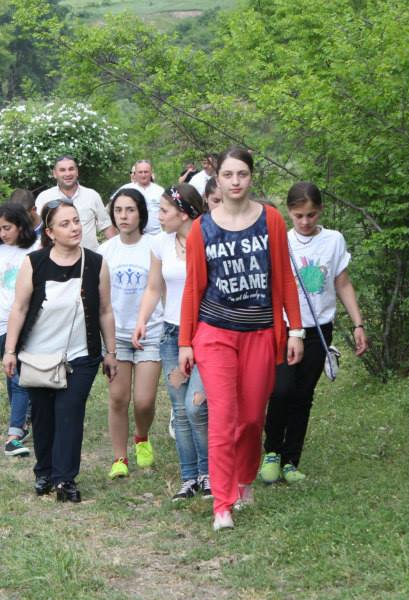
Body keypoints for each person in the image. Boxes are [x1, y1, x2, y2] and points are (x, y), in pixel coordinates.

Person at [178, 148, 304, 531]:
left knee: (250, 419)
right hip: (214, 332)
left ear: (251, 177)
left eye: (242, 174)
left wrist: (295, 329)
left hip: (260, 332)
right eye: (228, 175)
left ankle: (244, 478)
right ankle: (222, 504)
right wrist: (185, 342)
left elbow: (283, 276)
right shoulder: (202, 227)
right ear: (217, 180)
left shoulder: (271, 220)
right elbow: (193, 287)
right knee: (223, 418)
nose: (235, 182)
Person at [2, 198, 118, 502]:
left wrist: (111, 352)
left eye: (76, 221)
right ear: (50, 232)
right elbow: (19, 308)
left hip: (81, 355)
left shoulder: (96, 263)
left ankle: (65, 479)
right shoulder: (34, 262)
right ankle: (44, 472)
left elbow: (105, 310)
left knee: (69, 413)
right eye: (65, 224)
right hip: (37, 355)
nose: (74, 228)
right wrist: (10, 350)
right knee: (43, 416)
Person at [261, 182, 369, 483]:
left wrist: (358, 323)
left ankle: (291, 460)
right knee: (281, 390)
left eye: (311, 215)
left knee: (303, 394)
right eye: (299, 216)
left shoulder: (334, 240)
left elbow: (342, 283)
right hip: (286, 328)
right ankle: (272, 451)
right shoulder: (281, 241)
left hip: (319, 328)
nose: (305, 222)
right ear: (289, 213)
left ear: (320, 211)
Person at [133, 183, 210, 501]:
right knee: (180, 409)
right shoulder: (160, 244)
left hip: (206, 333)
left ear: (184, 213)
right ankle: (189, 478)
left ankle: (209, 473)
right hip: (171, 334)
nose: (159, 216)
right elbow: (154, 287)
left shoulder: (208, 240)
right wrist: (142, 320)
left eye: (164, 211)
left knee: (197, 407)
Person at [100, 188, 163, 479]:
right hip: (117, 336)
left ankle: (141, 436)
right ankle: (119, 458)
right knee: (118, 398)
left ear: (141, 214)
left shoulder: (155, 246)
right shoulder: (105, 251)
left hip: (151, 332)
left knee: (144, 401)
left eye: (130, 210)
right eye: (118, 210)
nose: (124, 216)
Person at [0, 202, 40, 456]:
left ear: (20, 225)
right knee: (11, 375)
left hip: (27, 320)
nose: (3, 233)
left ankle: (14, 434)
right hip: (1, 321)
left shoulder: (36, 248)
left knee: (19, 376)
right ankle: (22, 421)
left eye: (7, 227)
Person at [34, 155, 115, 250]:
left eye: (71, 169)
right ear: (55, 174)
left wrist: (118, 251)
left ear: (77, 172)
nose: (68, 173)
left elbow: (106, 226)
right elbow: (38, 230)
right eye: (62, 170)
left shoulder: (92, 196)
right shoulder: (44, 197)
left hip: (90, 257)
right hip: (56, 257)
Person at [113, 160, 165, 235]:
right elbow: (111, 208)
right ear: (135, 173)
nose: (143, 175)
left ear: (151, 173)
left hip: (156, 235)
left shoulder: (160, 191)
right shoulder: (126, 189)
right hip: (132, 236)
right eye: (140, 172)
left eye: (146, 172)